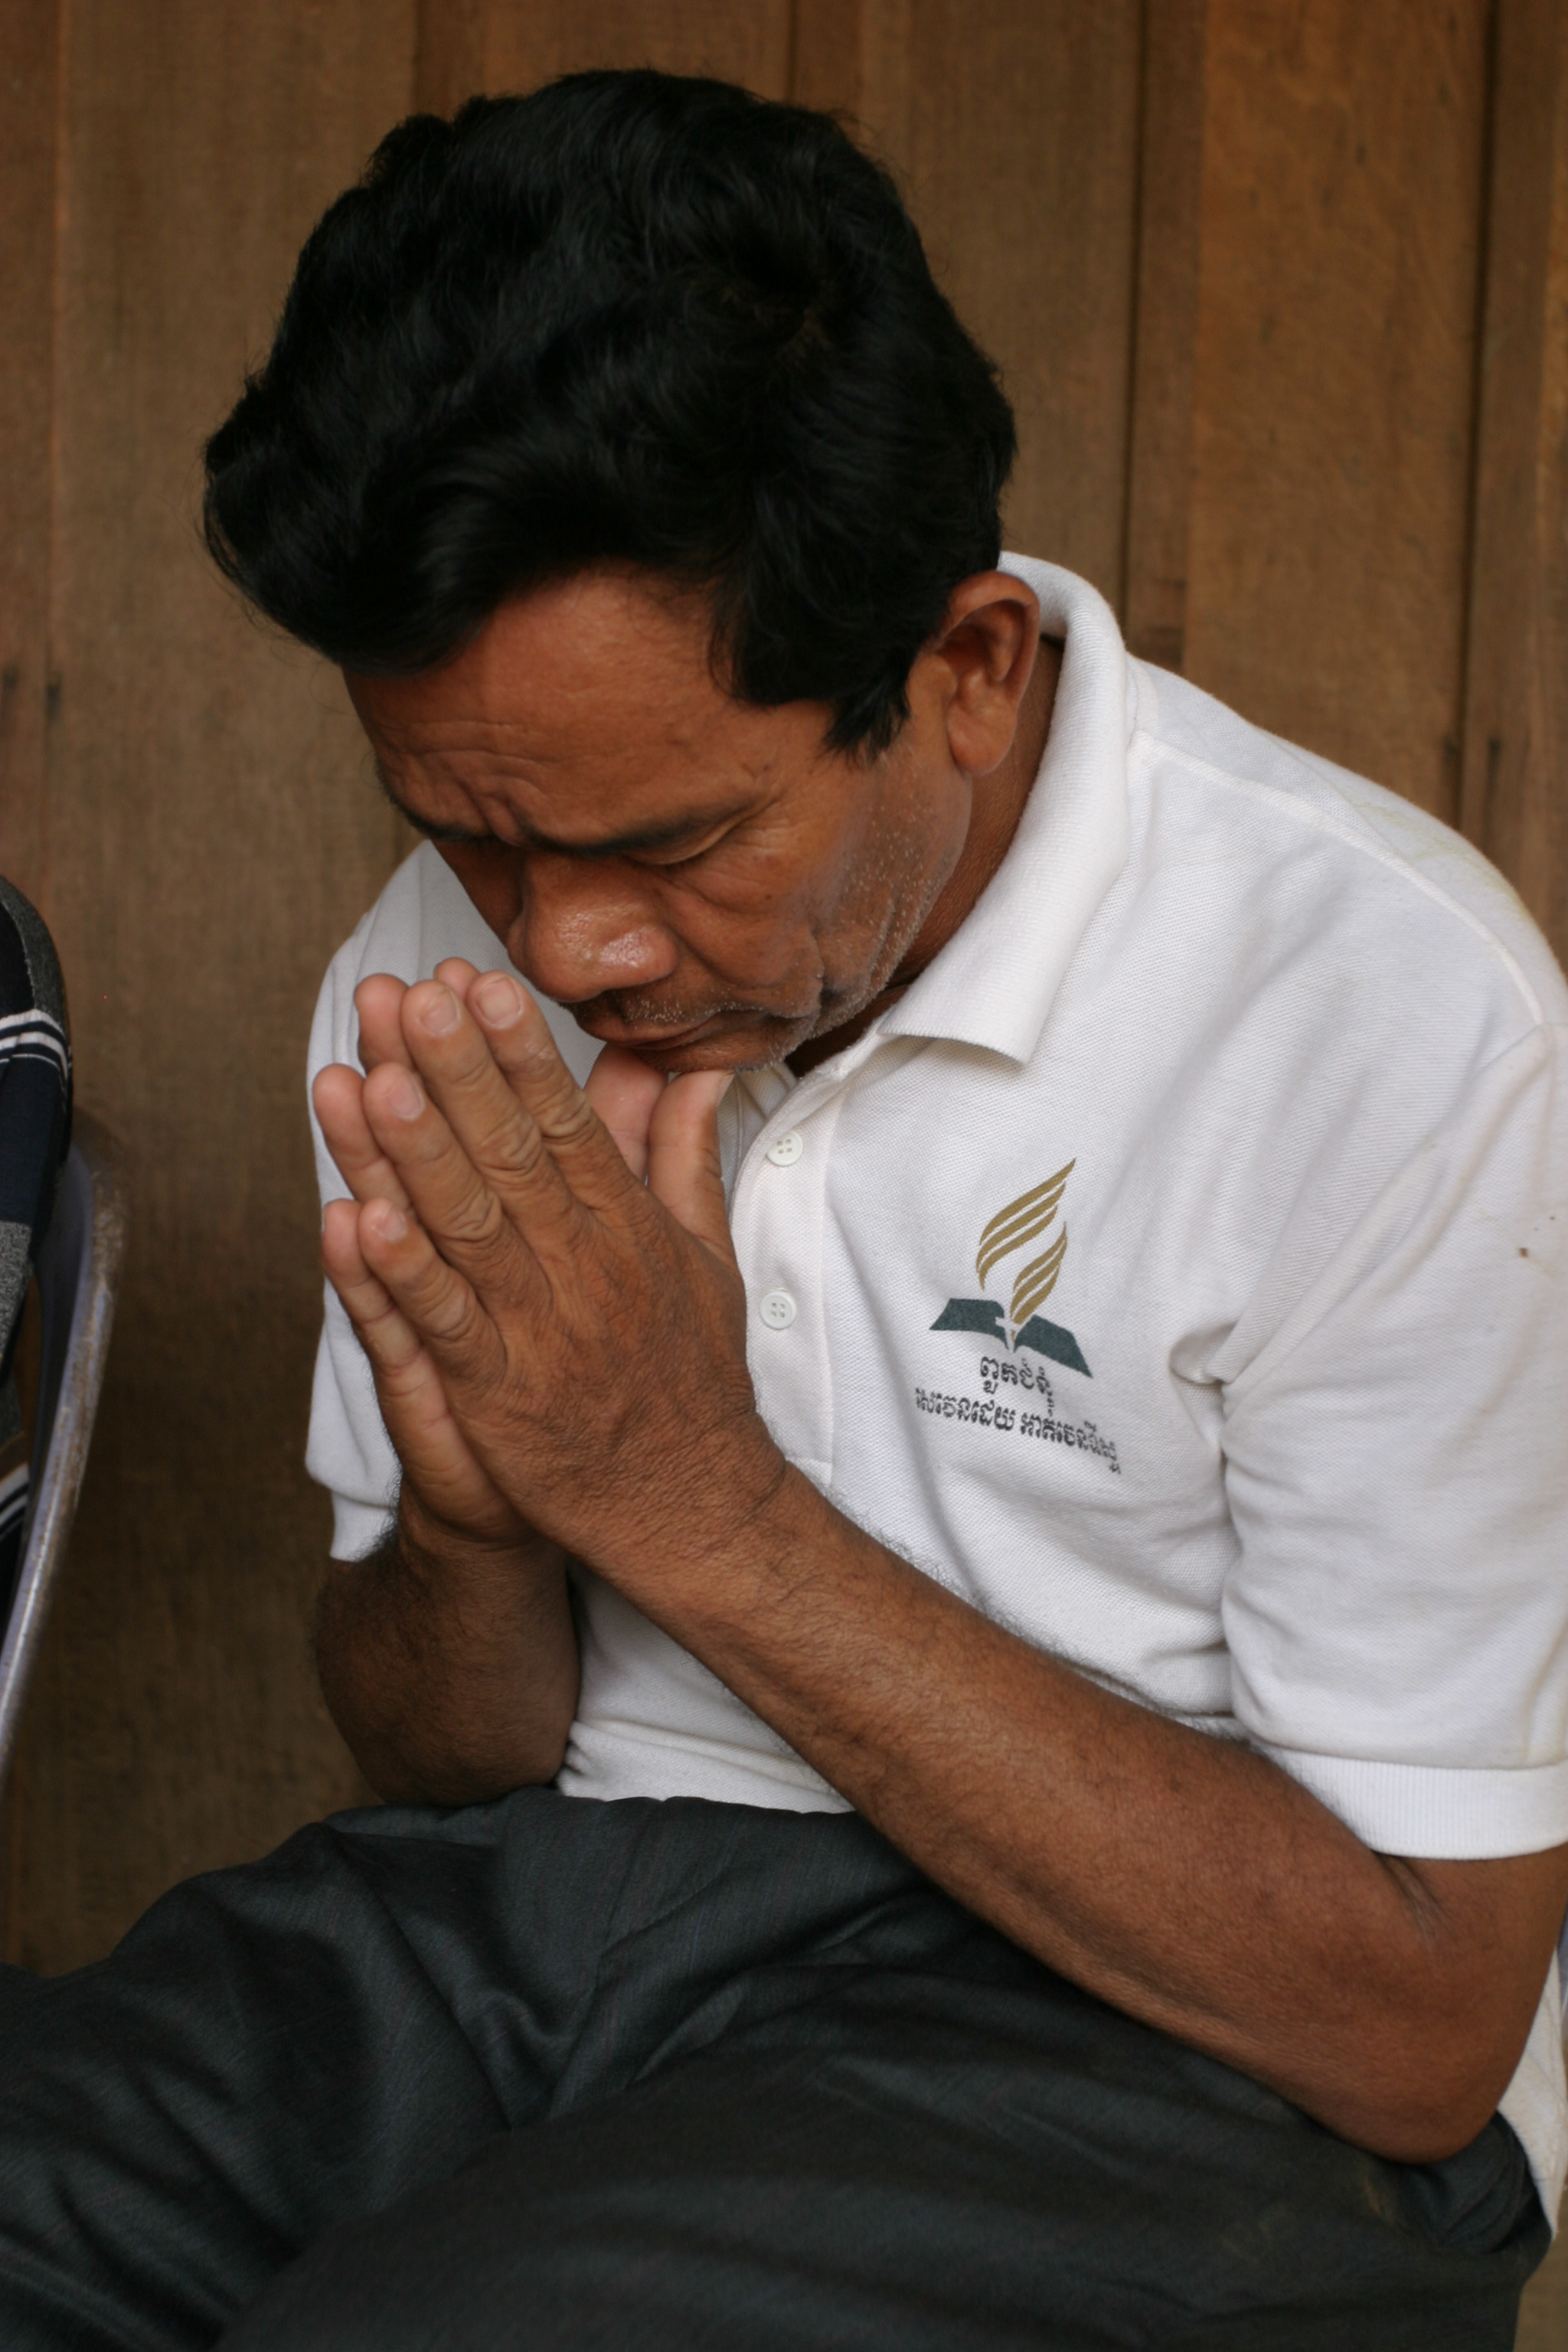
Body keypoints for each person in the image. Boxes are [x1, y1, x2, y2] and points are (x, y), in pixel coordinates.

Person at [1, 68, 1565, 2351]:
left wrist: (679, 1489)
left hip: (1176, 2058)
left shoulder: (1386, 1019)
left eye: (672, 847)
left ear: (964, 670)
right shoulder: (442, 961)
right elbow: (437, 1757)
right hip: (537, 1921)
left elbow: (1421, 2021)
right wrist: (475, 1535)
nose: (564, 952)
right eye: (469, 828)